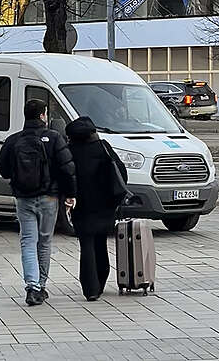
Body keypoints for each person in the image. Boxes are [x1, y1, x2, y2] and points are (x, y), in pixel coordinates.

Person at [0, 99, 76, 306]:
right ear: (43, 115)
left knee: (27, 241)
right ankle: (40, 285)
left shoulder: (14, 140)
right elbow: (67, 168)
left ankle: (31, 286)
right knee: (44, 241)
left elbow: (3, 168)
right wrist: (70, 193)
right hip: (49, 197)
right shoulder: (54, 137)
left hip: (23, 198)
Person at [66, 116, 128, 301]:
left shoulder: (70, 151)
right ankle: (101, 282)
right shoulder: (103, 147)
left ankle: (90, 289)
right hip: (105, 204)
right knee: (101, 242)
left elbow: (65, 175)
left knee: (86, 245)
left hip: (81, 204)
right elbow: (121, 172)